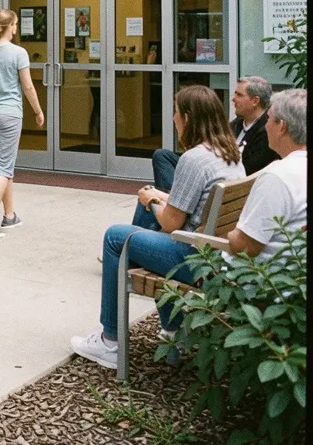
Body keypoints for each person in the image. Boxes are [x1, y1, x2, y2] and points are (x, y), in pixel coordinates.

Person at [70, 85, 244, 369]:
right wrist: (153, 197)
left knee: (116, 237)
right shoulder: (229, 153)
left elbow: (172, 221)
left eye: (175, 113)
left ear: (188, 117)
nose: (173, 118)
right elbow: (192, 204)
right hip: (216, 253)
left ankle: (110, 341)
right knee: (146, 203)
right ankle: (173, 332)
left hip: (193, 258)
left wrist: (153, 201)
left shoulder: (194, 159)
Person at [0, 8, 45, 238]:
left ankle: (10, 216)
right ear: (9, 26)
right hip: (10, 115)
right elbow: (28, 86)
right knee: (2, 167)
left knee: (2, 164)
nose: (16, 29)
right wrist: (38, 111)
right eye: (15, 25)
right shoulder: (18, 53)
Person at [224, 89, 306, 262]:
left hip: (252, 280)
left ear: (282, 126)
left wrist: (229, 234)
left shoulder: (278, 177)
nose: (266, 125)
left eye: (268, 119)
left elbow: (246, 246)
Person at [150, 76, 276, 189]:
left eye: (239, 95)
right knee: (162, 156)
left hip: (228, 180)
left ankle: (168, 199)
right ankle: (169, 196)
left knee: (147, 204)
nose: (233, 99)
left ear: (255, 101)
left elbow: (249, 169)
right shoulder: (237, 123)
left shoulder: (266, 131)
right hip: (214, 168)